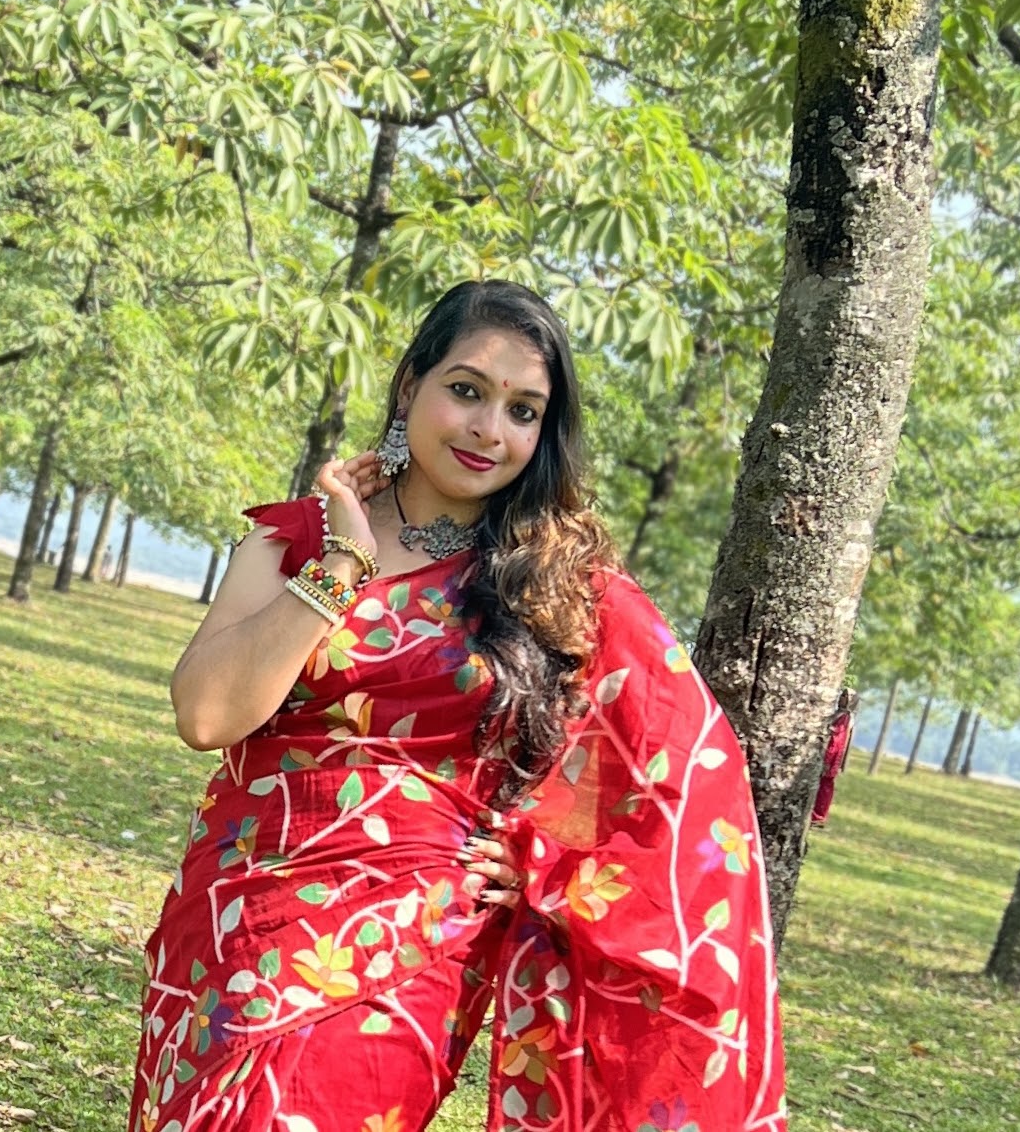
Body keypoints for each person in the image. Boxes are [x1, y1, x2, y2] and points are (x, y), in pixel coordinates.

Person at [132, 280, 786, 1132]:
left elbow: (672, 763)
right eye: (467, 390)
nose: (488, 429)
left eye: (522, 411)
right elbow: (207, 717)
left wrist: (550, 858)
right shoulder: (293, 542)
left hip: (411, 946)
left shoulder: (560, 589)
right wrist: (343, 565)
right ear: (411, 385)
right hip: (231, 921)